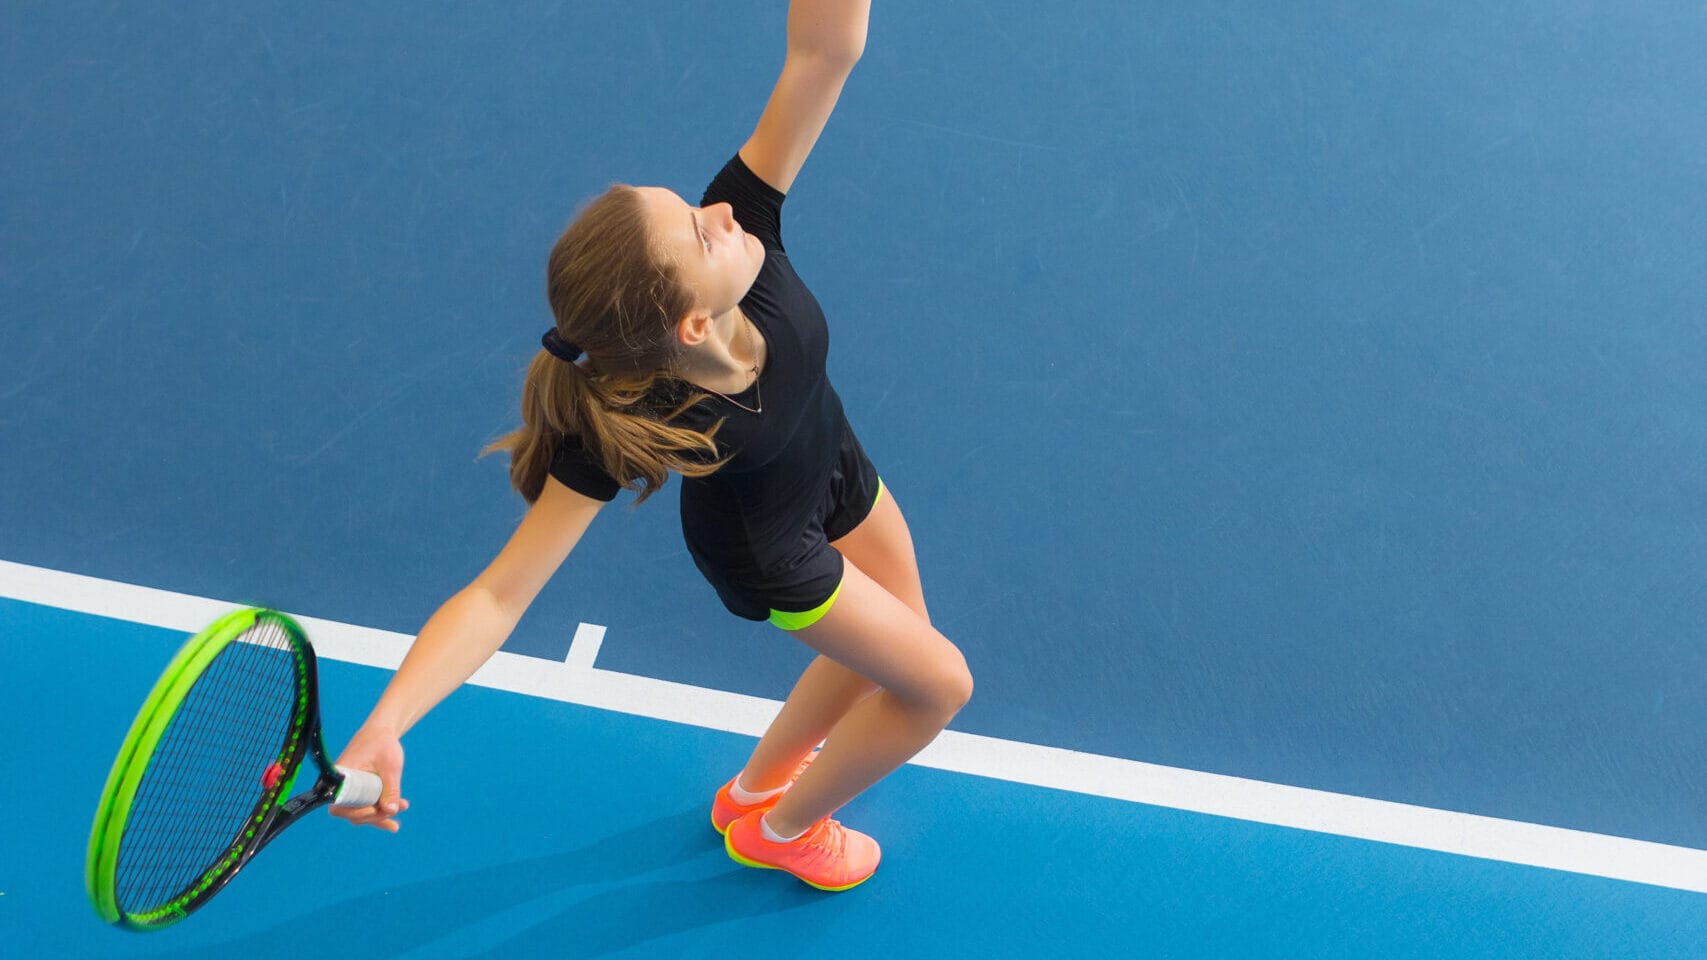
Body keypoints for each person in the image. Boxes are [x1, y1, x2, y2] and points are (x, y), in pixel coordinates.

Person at [331, 0, 972, 892]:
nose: (716, 210)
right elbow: (497, 595)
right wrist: (386, 723)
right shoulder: (631, 412)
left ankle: (751, 791)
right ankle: (783, 827)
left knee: (897, 639)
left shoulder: (742, 225)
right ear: (692, 321)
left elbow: (823, 50)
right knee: (937, 687)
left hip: (830, 460)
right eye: (697, 229)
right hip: (769, 548)